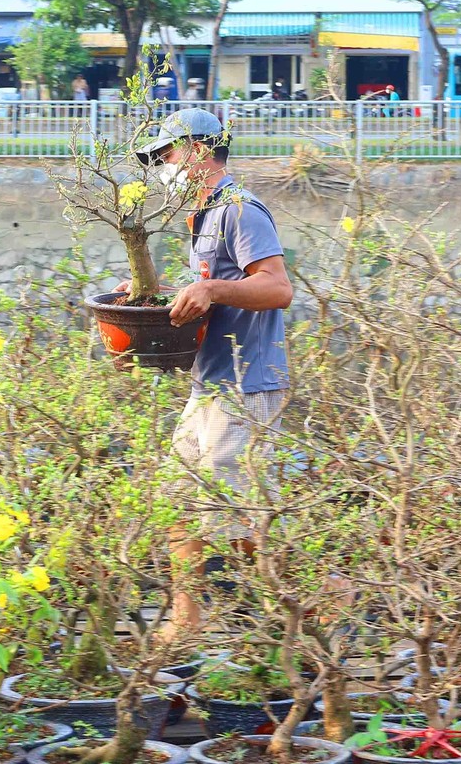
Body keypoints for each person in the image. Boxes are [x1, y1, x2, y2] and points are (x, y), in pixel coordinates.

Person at [128, 108, 293, 637]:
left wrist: (212, 290)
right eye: (155, 159)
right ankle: (186, 621)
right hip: (209, 384)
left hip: (247, 386)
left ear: (200, 149)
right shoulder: (203, 214)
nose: (162, 167)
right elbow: (208, 290)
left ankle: (316, 598)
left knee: (236, 519)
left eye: (168, 153)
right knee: (177, 500)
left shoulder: (241, 210)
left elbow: (277, 288)